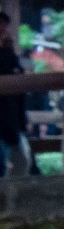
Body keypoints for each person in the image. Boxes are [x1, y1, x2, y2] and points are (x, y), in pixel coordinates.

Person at [0, 11, 28, 176]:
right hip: (8, 118)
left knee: (18, 161)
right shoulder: (8, 55)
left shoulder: (9, 54)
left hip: (10, 118)